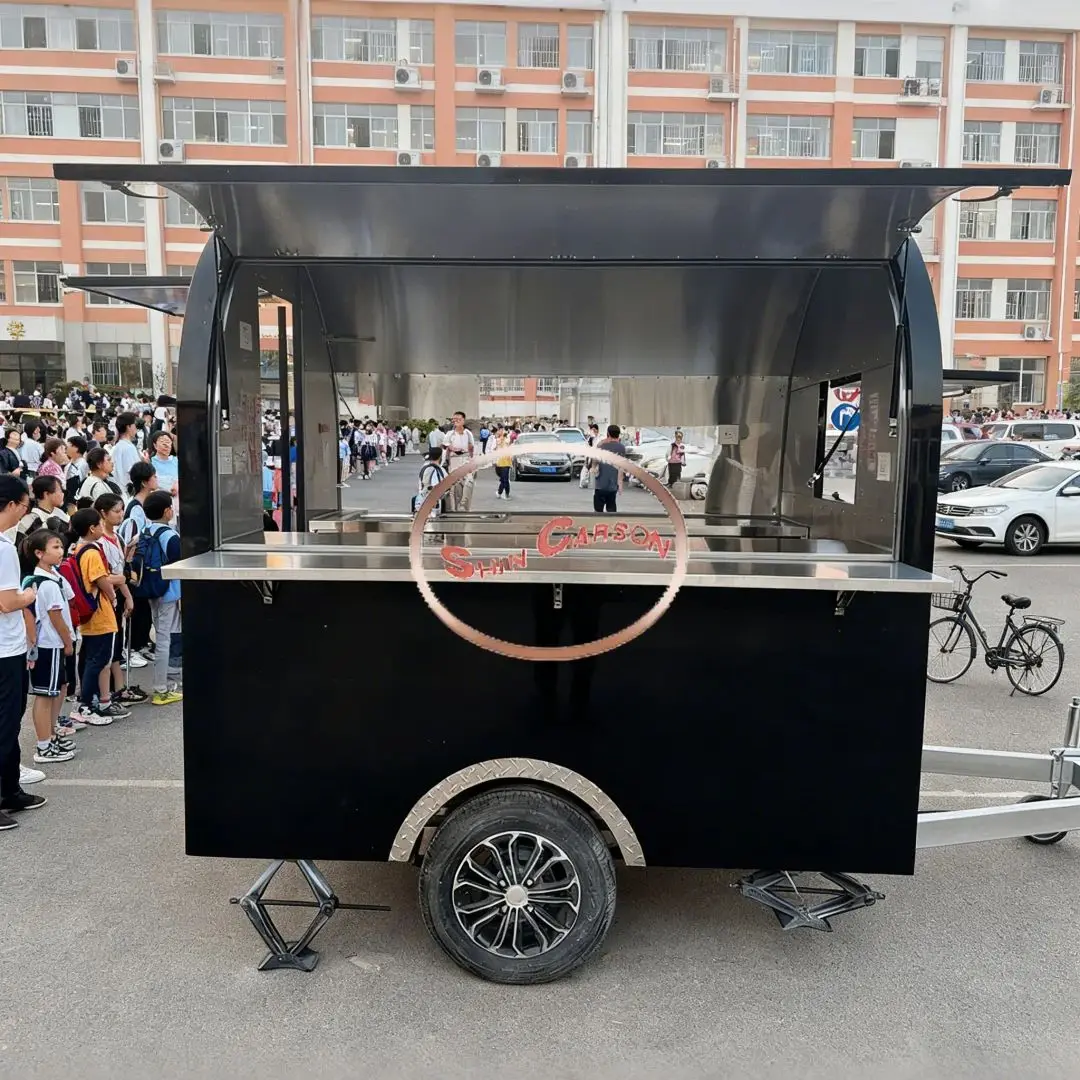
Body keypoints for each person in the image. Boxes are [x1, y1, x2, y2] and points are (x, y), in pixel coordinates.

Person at [0, 474, 44, 830]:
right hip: (5, 648)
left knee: (10, 720)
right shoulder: (2, 547)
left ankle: (10, 789)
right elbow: (7, 601)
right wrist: (29, 595)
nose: (23, 515)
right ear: (12, 504)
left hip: (6, 647)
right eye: (24, 507)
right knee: (5, 721)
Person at [69, 507, 130, 726]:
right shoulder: (92, 552)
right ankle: (85, 705)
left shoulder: (79, 549)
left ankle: (98, 702)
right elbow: (99, 579)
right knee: (97, 661)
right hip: (100, 614)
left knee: (96, 659)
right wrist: (114, 589)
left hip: (92, 614)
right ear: (92, 528)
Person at [21, 530, 76, 765]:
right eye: (55, 547)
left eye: (61, 547)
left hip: (53, 643)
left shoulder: (54, 577)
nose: (61, 551)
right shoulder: (44, 583)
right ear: (39, 553)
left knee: (58, 688)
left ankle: (51, 734)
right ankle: (44, 744)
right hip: (48, 644)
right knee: (45, 695)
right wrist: (68, 642)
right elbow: (55, 617)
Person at [94, 493, 148, 700]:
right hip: (107, 598)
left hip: (118, 594)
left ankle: (119, 687)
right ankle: (106, 693)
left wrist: (127, 596)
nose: (120, 514)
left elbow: (122, 568)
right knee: (107, 647)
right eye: (116, 511)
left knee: (117, 643)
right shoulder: (99, 542)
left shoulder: (117, 537)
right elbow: (106, 575)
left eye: (121, 510)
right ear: (103, 514)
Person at [140, 491, 183, 707]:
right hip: (169, 592)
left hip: (151, 589)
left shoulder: (146, 530)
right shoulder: (170, 536)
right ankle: (160, 689)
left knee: (161, 633)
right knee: (164, 639)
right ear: (167, 511)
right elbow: (178, 564)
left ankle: (169, 676)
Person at [442, 411, 475, 512]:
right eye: (454, 419)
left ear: (463, 421)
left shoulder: (468, 434)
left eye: (458, 419)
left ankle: (465, 508)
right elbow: (444, 446)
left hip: (466, 461)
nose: (456, 421)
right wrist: (451, 448)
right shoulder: (449, 434)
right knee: (454, 488)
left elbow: (472, 448)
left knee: (469, 483)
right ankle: (453, 509)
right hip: (454, 461)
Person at [592, 424, 627, 515]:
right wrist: (620, 483)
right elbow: (621, 467)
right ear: (618, 435)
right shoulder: (621, 448)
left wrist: (593, 468)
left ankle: (598, 527)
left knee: (598, 511)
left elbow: (594, 461)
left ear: (608, 433)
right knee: (611, 511)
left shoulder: (601, 446)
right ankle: (611, 528)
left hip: (600, 483)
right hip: (613, 485)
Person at [110, 412, 141, 493]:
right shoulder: (128, 447)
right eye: (134, 424)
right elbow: (133, 472)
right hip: (128, 491)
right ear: (129, 426)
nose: (136, 428)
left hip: (120, 490)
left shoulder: (119, 445)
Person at [494, 427, 513, 500]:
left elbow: (509, 444)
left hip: (506, 462)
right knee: (502, 479)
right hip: (499, 462)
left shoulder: (507, 439)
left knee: (505, 479)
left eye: (502, 430)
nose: (501, 431)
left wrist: (506, 436)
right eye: (499, 430)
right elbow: (495, 447)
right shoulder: (497, 440)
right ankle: (499, 492)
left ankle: (506, 494)